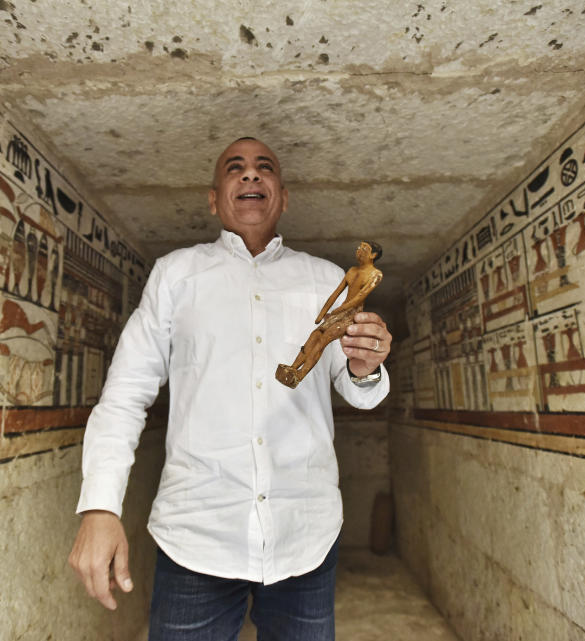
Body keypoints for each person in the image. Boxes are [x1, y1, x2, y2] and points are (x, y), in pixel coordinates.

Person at [69, 137, 392, 641]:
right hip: (195, 537)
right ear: (214, 198)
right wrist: (100, 507)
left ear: (282, 197)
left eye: (264, 168)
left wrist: (365, 366)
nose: (250, 175)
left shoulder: (326, 280)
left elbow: (360, 391)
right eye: (234, 168)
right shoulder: (176, 275)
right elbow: (126, 392)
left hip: (304, 535)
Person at [276, 240, 383, 389]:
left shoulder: (375, 274)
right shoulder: (352, 271)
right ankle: (293, 368)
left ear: (373, 255)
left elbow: (360, 297)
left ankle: (300, 375)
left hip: (351, 317)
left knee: (322, 341)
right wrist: (323, 313)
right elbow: (335, 294)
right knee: (315, 335)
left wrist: (339, 310)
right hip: (340, 312)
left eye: (364, 248)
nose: (359, 250)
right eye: (359, 247)